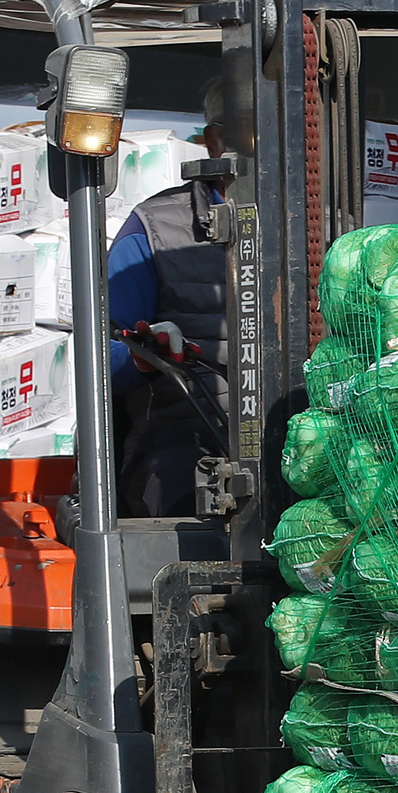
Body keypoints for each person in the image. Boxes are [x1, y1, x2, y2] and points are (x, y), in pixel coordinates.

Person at [107, 79, 228, 517]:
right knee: (183, 489)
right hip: (183, 430)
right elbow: (105, 357)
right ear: (215, 140)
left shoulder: (317, 226)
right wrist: (144, 355)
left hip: (296, 430)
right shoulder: (153, 229)